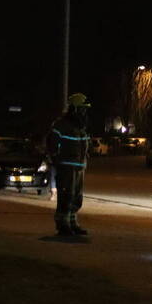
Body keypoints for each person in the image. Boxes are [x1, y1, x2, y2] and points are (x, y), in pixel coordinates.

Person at [47, 92, 91, 236]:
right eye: (82, 109)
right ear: (75, 108)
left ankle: (72, 222)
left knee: (76, 197)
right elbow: (52, 145)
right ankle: (62, 224)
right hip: (66, 166)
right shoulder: (60, 125)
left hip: (78, 167)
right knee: (66, 195)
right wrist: (56, 160)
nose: (85, 112)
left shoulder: (80, 126)